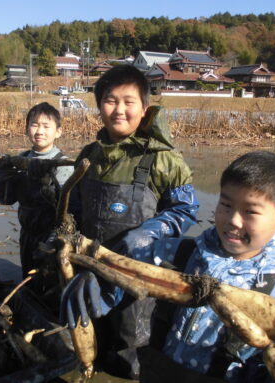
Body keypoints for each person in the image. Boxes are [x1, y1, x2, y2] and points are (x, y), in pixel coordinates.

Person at [62, 151, 275, 382]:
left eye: (250, 212)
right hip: (157, 371)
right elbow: (130, 275)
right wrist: (100, 281)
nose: (233, 220)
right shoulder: (176, 254)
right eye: (226, 205)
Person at [67, 65, 199, 378]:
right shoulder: (89, 155)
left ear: (144, 108)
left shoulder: (163, 159)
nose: (119, 110)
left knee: (133, 346)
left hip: (138, 275)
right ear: (99, 106)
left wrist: (150, 232)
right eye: (111, 101)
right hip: (91, 269)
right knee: (91, 338)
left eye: (129, 102)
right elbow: (72, 206)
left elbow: (186, 209)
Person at [0, 102, 73, 290]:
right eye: (34, 125)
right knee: (28, 282)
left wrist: (46, 184)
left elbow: (67, 209)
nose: (40, 131)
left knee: (51, 285)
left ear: (58, 132)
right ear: (27, 128)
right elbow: (6, 199)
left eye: (46, 126)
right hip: (27, 233)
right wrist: (1, 178)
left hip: (53, 236)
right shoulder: (18, 160)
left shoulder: (64, 165)